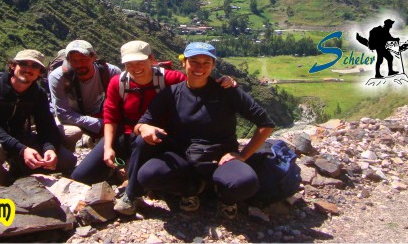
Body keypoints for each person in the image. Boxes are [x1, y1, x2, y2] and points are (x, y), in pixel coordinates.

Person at [127, 42, 275, 219]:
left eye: (206, 63)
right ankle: (190, 189)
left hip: (221, 158)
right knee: (148, 175)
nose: (200, 68)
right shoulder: (171, 94)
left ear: (213, 65)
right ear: (184, 62)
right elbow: (141, 124)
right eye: (194, 62)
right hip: (183, 157)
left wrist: (243, 155)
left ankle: (225, 198)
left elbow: (266, 124)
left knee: (246, 182)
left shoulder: (227, 91)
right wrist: (144, 127)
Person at [70, 40, 237, 195]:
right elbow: (110, 117)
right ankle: (120, 168)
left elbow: (198, 83)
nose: (135, 68)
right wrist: (108, 147)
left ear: (151, 59)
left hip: (159, 140)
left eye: (140, 62)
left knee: (144, 150)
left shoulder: (171, 79)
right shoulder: (118, 83)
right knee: (81, 176)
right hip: (125, 135)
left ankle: (133, 192)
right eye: (129, 64)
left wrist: (223, 82)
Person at [0, 49, 77, 186]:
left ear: (40, 72)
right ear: (13, 66)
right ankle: (4, 185)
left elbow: (46, 125)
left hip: (19, 136)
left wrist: (49, 148)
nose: (28, 69)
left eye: (35, 66)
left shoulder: (37, 94)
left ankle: (21, 172)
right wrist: (22, 149)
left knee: (67, 161)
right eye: (23, 64)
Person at [48, 40, 122, 151]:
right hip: (69, 117)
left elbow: (119, 104)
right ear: (67, 60)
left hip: (96, 112)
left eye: (84, 59)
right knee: (73, 133)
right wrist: (101, 124)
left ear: (94, 57)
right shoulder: (58, 77)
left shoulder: (110, 72)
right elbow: (63, 114)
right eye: (74, 60)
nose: (79, 64)